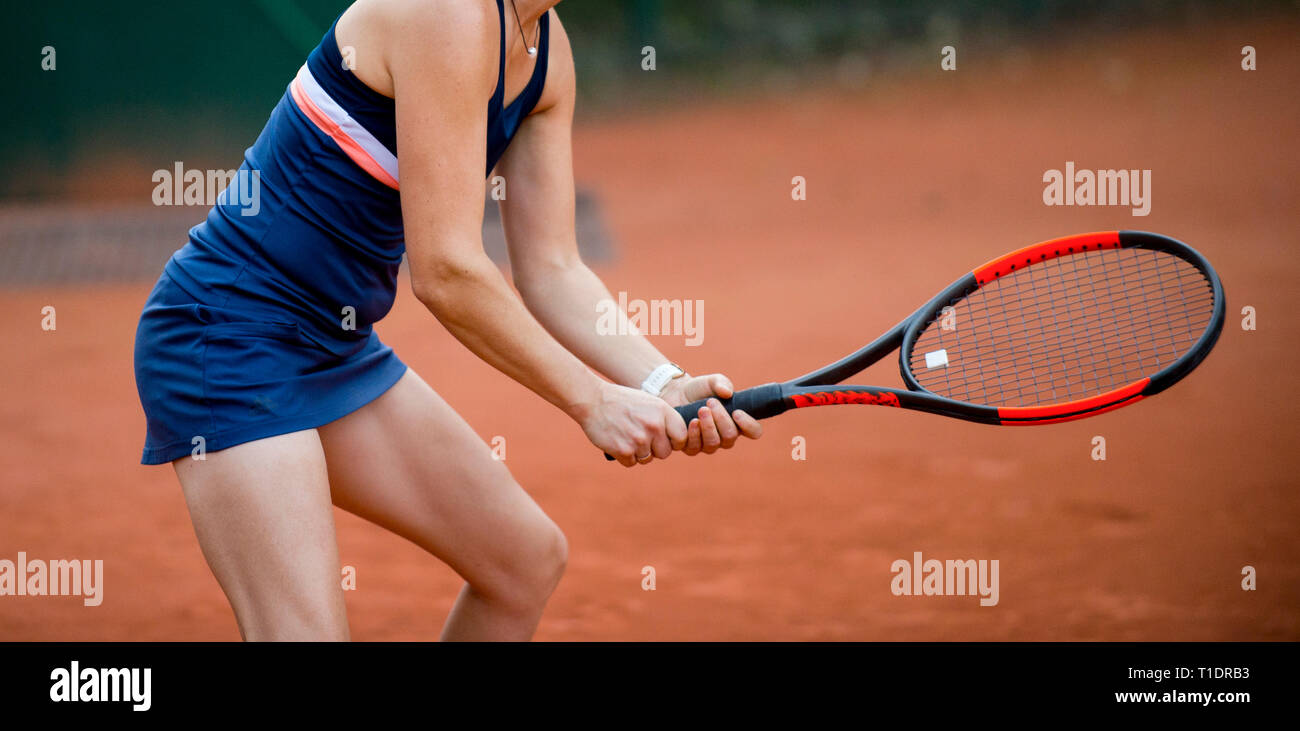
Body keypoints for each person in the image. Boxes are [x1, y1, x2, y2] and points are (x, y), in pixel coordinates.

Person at [132, 0, 762, 641]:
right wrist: (593, 400)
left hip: (332, 347)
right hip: (228, 337)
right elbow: (447, 271)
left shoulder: (546, 51)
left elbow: (553, 269)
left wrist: (661, 382)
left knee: (523, 562)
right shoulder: (449, 14)